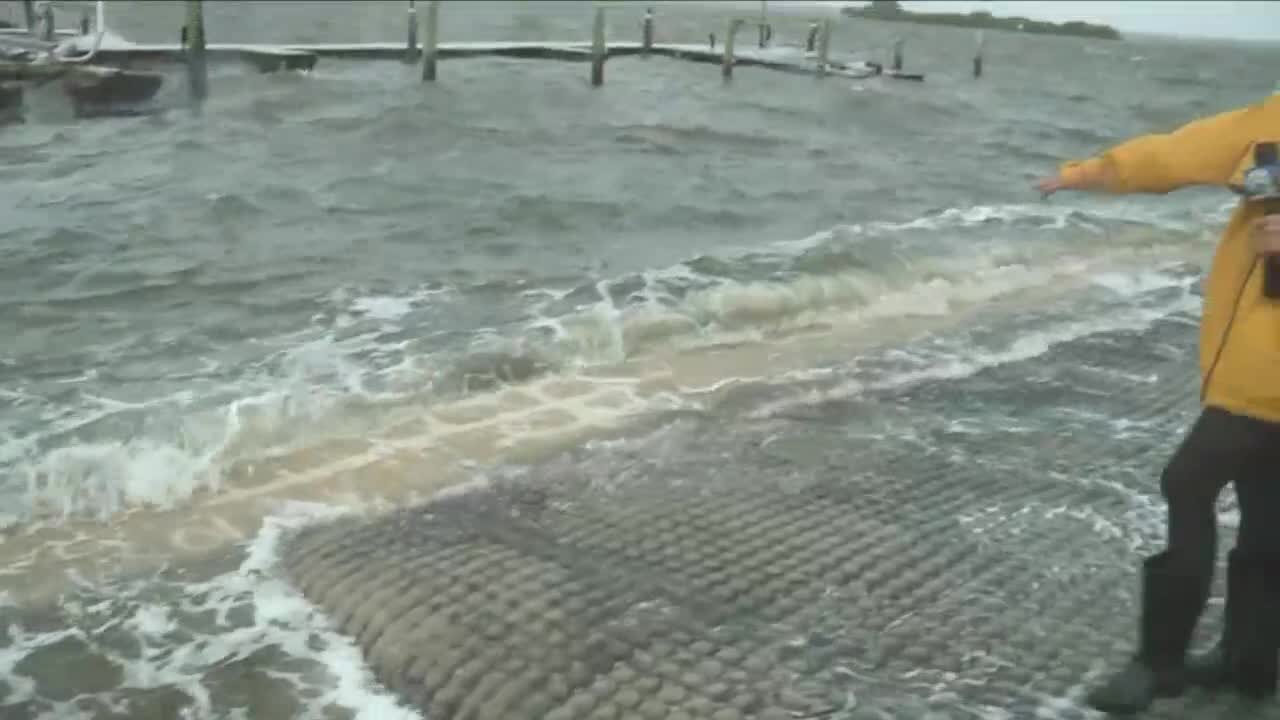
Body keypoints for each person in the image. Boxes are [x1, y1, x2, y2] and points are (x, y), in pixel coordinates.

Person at [1034, 92, 1280, 715]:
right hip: (1256, 373)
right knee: (1268, 515)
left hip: (1263, 381)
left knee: (1188, 484)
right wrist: (1081, 174)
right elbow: (1172, 155)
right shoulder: (1269, 121)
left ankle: (1160, 662)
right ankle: (1248, 664)